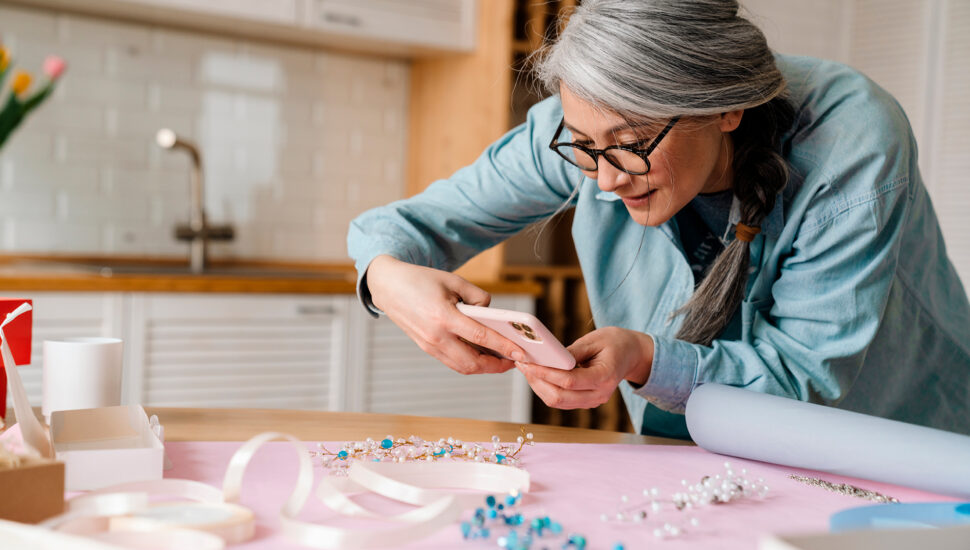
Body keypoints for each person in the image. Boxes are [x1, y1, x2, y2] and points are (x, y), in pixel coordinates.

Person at [347, 0, 970, 439]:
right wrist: (387, 278)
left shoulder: (853, 142)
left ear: (727, 109)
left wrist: (644, 358)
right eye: (584, 146)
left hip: (890, 442)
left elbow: (803, 375)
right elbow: (404, 228)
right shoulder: (586, 132)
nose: (609, 179)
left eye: (632, 144)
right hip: (700, 447)